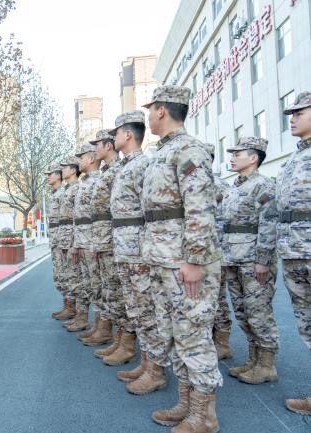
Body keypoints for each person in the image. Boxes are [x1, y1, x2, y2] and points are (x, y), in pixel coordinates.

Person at [141, 85, 222, 433]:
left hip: (183, 261)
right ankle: (188, 405)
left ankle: (205, 416)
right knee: (175, 334)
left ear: (161, 110)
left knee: (194, 335)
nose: (147, 116)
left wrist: (195, 259)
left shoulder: (190, 149)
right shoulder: (166, 151)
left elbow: (200, 206)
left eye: (150, 109)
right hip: (164, 259)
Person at [109, 111, 168, 394]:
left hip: (139, 251)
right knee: (136, 309)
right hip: (125, 249)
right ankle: (147, 363)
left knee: (147, 310)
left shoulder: (143, 165)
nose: (114, 138)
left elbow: (150, 211)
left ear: (128, 134)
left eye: (116, 133)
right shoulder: (126, 167)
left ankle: (156, 371)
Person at [222, 137, 279, 385]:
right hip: (233, 258)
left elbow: (269, 224)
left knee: (258, 312)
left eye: (238, 153)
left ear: (253, 158)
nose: (232, 157)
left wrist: (263, 260)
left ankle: (267, 365)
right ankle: (254, 359)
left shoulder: (263, 185)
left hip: (252, 260)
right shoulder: (234, 187)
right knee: (243, 311)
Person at [277, 91, 311, 415]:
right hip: (295, 251)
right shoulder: (293, 160)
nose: (293, 117)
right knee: (307, 326)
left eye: (300, 112)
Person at [87, 129, 133, 365]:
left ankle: (126, 343)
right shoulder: (108, 171)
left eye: (98, 144)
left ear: (108, 146)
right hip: (104, 239)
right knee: (109, 289)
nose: (95, 149)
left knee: (118, 291)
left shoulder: (120, 170)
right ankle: (117, 338)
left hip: (117, 241)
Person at [69, 144, 101, 334]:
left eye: (81, 157)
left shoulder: (99, 181)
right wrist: (76, 242)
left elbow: (100, 215)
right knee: (89, 284)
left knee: (98, 285)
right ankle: (97, 326)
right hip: (83, 240)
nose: (79, 161)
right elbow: (78, 216)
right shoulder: (85, 183)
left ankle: (101, 327)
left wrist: (96, 242)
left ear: (90, 159)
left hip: (93, 240)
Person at [207, 144, 233, 361]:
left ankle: (222, 342)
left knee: (218, 299)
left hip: (217, 251)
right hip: (197, 252)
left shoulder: (219, 186)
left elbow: (227, 221)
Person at [53, 157, 81, 321]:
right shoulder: (67, 190)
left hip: (71, 239)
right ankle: (69, 307)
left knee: (74, 277)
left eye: (64, 168)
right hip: (62, 239)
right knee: (66, 276)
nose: (61, 171)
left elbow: (77, 218)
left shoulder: (77, 189)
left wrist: (75, 242)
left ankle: (78, 313)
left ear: (72, 170)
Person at [45, 164, 68, 319]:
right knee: (59, 274)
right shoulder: (54, 194)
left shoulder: (63, 194)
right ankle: (68, 305)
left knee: (67, 274)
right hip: (55, 239)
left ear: (59, 175)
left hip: (62, 239)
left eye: (50, 174)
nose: (48, 177)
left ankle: (72, 308)